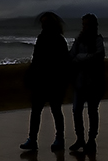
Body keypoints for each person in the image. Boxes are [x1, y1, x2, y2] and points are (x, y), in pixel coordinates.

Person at [20, 12, 70, 152]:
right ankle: (32, 139)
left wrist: (62, 80)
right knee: (36, 111)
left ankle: (59, 138)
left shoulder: (59, 40)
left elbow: (64, 62)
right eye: (43, 22)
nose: (43, 25)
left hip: (54, 81)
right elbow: (36, 58)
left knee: (55, 110)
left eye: (46, 22)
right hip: (40, 80)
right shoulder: (41, 38)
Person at [69, 13, 105, 155]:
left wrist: (80, 58)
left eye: (87, 24)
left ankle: (91, 139)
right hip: (79, 82)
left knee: (92, 111)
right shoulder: (79, 40)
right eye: (83, 24)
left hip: (94, 81)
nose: (85, 27)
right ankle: (80, 138)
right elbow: (71, 56)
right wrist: (82, 58)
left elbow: (98, 56)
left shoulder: (97, 39)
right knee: (76, 110)